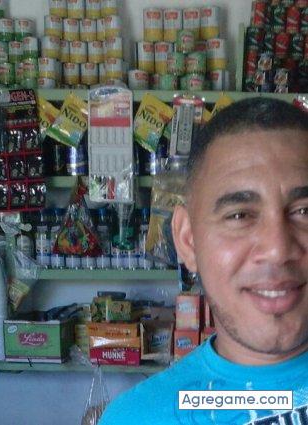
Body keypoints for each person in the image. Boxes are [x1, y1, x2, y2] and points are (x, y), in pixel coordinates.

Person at [98, 98, 308, 425]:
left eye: (304, 211)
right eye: (239, 215)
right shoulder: (136, 419)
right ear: (188, 241)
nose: (277, 250)